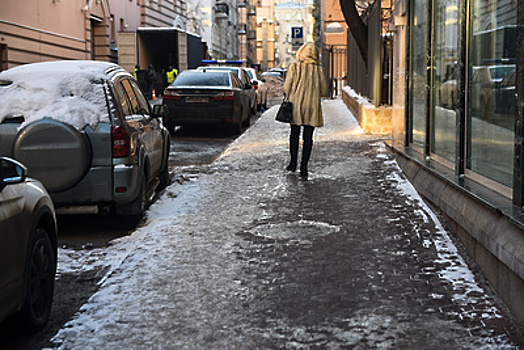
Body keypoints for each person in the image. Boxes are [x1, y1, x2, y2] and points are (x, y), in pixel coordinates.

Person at [283, 42, 327, 177]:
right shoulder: (318, 70)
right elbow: (323, 91)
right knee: (308, 137)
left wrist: (292, 95)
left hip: (296, 105)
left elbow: (286, 87)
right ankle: (304, 167)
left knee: (294, 134)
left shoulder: (294, 68)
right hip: (312, 107)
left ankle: (293, 163)